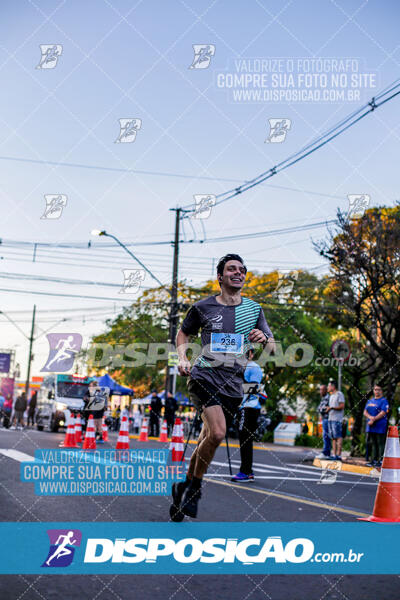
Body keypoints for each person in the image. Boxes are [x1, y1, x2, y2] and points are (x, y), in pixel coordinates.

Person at [172, 253, 274, 519]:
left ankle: (184, 486)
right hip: (204, 375)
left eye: (242, 269)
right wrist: (182, 357)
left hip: (232, 384)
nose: (238, 273)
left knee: (208, 438)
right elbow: (183, 333)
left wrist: (263, 337)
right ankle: (195, 489)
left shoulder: (254, 309)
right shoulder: (203, 307)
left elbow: (272, 348)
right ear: (220, 276)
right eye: (231, 269)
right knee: (217, 433)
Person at [231, 348, 265, 482]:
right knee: (243, 439)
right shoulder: (239, 366)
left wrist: (238, 383)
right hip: (243, 407)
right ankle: (247, 471)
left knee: (245, 439)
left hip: (250, 407)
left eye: (246, 353)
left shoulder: (253, 367)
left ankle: (245, 471)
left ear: (251, 354)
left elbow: (255, 388)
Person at [364, 384, 389, 467]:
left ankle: (380, 460)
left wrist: (373, 419)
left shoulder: (384, 401)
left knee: (380, 443)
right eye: (375, 389)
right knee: (373, 443)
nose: (377, 391)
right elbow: (365, 412)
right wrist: (370, 418)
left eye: (378, 389)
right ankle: (373, 460)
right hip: (371, 425)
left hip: (380, 425)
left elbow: (383, 412)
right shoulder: (370, 401)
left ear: (381, 391)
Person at [327, 380, 345, 461]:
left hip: (337, 419)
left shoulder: (339, 394)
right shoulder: (331, 396)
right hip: (330, 418)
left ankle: (339, 455)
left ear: (333, 386)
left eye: (329, 386)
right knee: (333, 437)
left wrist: (331, 408)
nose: (328, 387)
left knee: (338, 437)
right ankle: (334, 454)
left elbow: (342, 406)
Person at [316, 384, 331, 459]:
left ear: (325, 390)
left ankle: (326, 453)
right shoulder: (323, 398)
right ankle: (326, 452)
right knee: (325, 435)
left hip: (327, 418)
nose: (320, 391)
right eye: (320, 389)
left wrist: (321, 409)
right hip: (324, 418)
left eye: (322, 389)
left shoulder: (327, 398)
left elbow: (323, 409)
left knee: (326, 435)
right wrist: (321, 409)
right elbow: (319, 408)